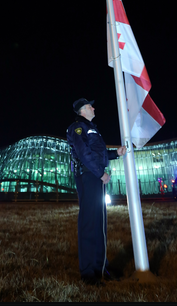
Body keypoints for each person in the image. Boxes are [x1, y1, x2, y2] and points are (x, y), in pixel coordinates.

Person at [66, 97, 127, 286]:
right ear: (82, 110)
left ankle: (101, 267)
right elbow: (84, 153)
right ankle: (88, 273)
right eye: (90, 106)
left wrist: (115, 154)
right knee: (89, 223)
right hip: (89, 177)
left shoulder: (92, 128)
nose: (94, 107)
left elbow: (97, 153)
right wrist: (101, 173)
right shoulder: (77, 127)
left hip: (96, 176)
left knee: (99, 223)